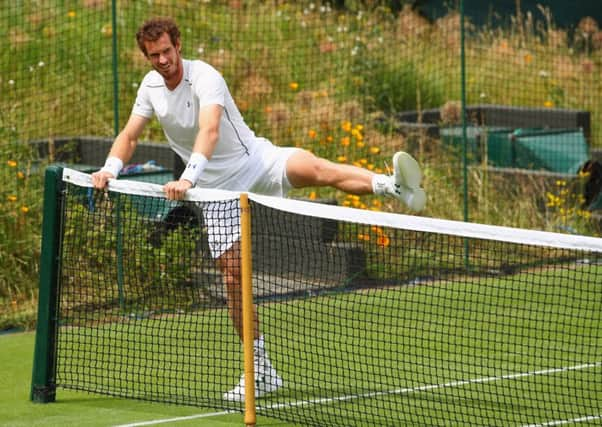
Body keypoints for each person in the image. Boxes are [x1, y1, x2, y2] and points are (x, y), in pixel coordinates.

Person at [91, 17, 426, 402]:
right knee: (233, 279)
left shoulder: (205, 77)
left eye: (167, 51)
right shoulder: (150, 87)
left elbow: (210, 131)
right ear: (146, 56)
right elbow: (130, 135)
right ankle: (261, 370)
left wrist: (188, 177)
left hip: (254, 162)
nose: (163, 60)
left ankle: (390, 185)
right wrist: (108, 169)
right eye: (154, 55)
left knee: (317, 169)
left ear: (178, 44)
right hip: (213, 193)